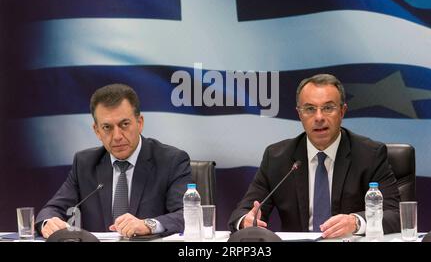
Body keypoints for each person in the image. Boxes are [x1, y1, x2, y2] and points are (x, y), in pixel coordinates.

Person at [228, 74, 400, 238]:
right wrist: (246, 221)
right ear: (299, 114)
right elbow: (242, 212)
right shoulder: (277, 157)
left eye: (328, 108)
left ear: (342, 111)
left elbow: (395, 215)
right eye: (310, 109)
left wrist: (356, 222)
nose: (319, 117)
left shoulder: (370, 155)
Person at [36, 83, 192, 238]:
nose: (117, 136)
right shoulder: (85, 163)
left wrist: (148, 224)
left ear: (140, 123)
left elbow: (187, 215)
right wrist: (49, 223)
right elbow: (52, 210)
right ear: (97, 131)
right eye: (107, 127)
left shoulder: (171, 161)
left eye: (124, 124)